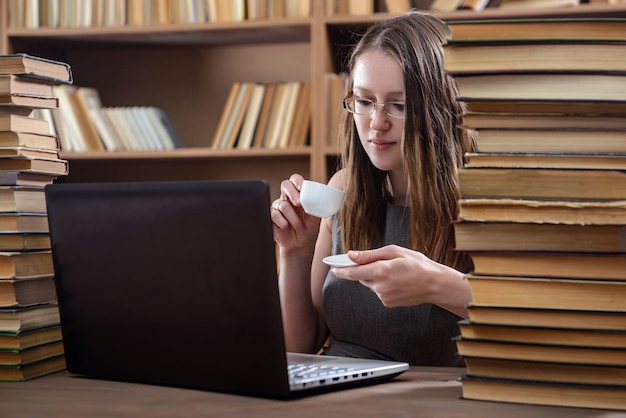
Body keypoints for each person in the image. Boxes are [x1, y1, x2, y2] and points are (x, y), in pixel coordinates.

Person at [271, 11, 475, 367]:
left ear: (440, 109)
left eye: (397, 105)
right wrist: (295, 253)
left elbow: (539, 319)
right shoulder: (344, 189)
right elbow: (298, 348)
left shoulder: (484, 201)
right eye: (364, 102)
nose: (376, 123)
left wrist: (437, 286)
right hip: (339, 393)